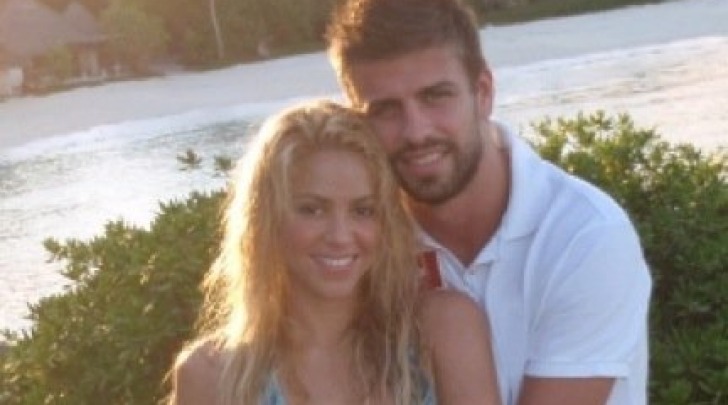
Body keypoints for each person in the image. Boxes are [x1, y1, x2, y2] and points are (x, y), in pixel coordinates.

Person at [325, 0, 653, 404]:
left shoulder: (584, 235)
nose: (416, 131)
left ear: (482, 92)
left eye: (435, 96)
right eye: (385, 110)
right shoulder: (354, 243)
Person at [169, 100, 501, 404]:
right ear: (265, 218)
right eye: (312, 209)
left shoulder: (441, 332)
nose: (340, 237)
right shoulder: (213, 376)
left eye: (363, 210)